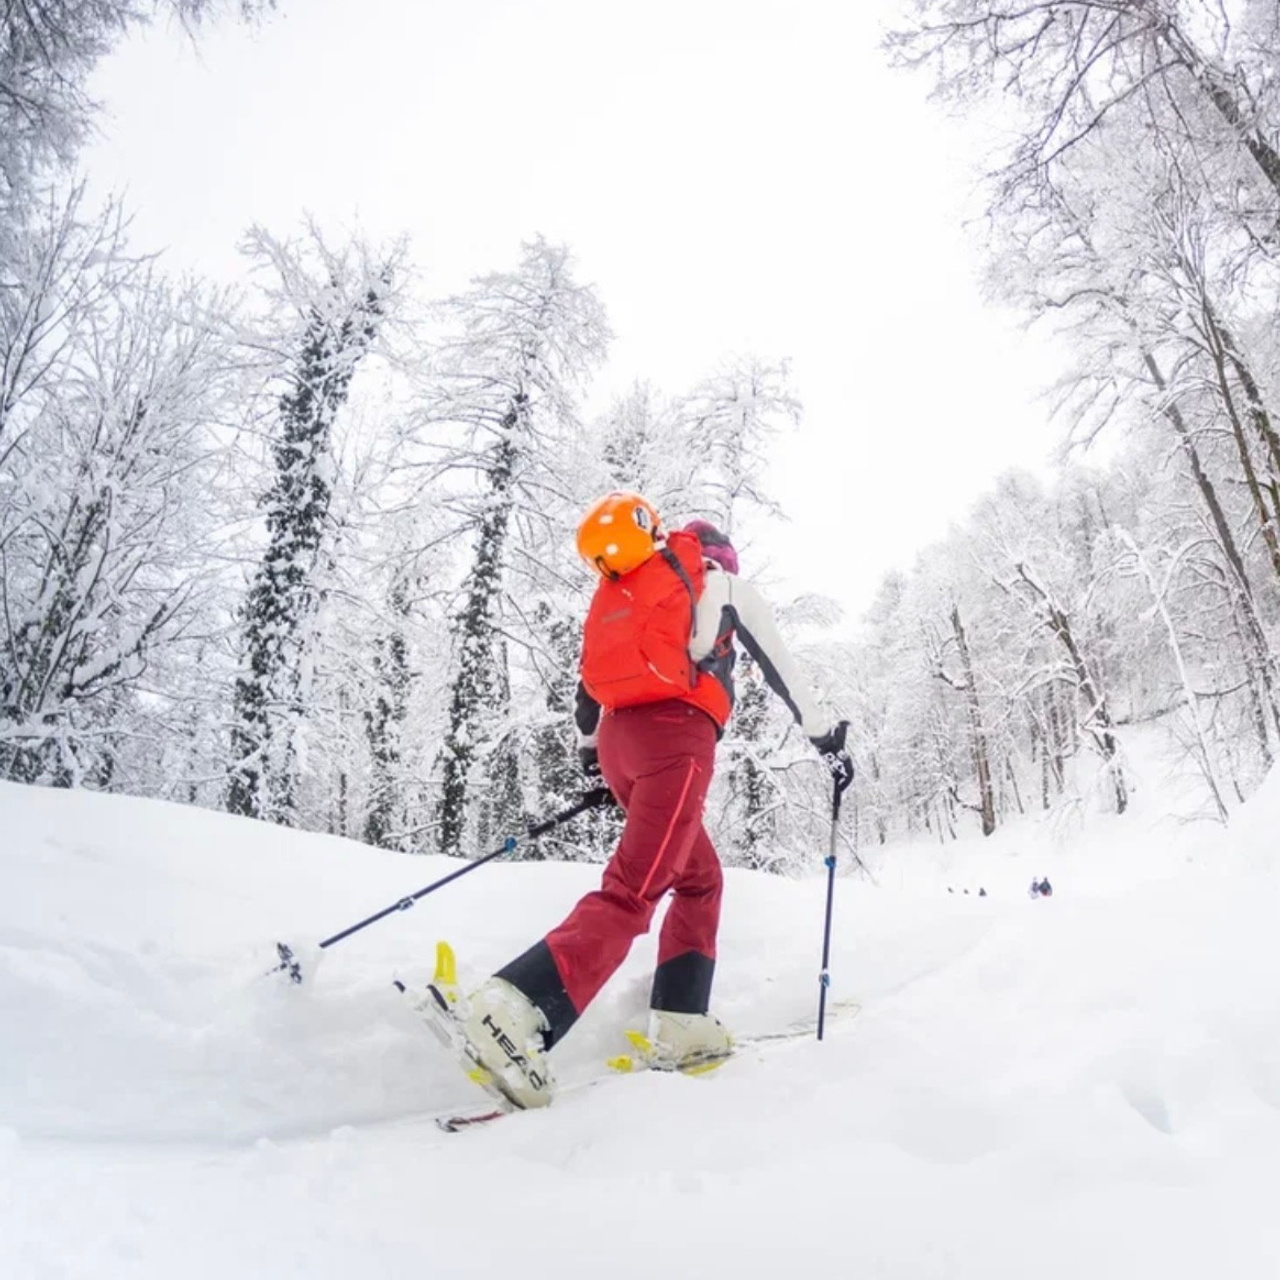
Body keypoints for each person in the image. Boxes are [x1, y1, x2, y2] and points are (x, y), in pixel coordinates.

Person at [447, 491, 853, 1108]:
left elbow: (587, 691)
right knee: (634, 890)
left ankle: (682, 1019)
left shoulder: (631, 590)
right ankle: (515, 1007)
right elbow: (781, 667)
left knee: (700, 879)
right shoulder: (722, 587)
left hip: (620, 742)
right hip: (676, 743)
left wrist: (594, 760)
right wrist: (826, 740)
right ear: (724, 559)